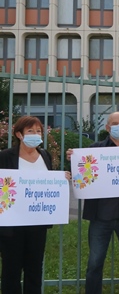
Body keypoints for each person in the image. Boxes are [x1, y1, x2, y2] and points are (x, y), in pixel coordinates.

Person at [66, 112, 119, 294]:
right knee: (94, 263)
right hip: (100, 218)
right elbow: (82, 173)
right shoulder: (95, 149)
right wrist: (74, 160)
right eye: (114, 123)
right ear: (107, 128)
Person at [0, 116, 69, 294]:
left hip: (37, 223)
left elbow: (48, 183)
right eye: (30, 131)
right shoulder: (5, 157)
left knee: (34, 268)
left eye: (38, 131)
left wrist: (62, 179)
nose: (36, 135)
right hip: (12, 225)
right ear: (19, 134)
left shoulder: (45, 156)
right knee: (11, 269)